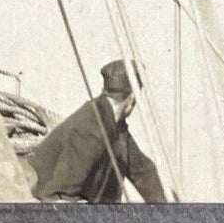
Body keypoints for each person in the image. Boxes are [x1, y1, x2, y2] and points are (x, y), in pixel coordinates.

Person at [28, 59, 170, 203]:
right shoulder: (91, 128)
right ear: (132, 98)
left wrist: (171, 208)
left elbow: (143, 172)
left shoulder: (115, 126)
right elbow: (62, 195)